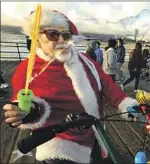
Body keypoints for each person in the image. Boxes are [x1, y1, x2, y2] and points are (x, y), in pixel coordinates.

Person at [3, 10, 140, 164]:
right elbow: (28, 106)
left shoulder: (86, 60)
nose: (62, 39)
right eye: (53, 34)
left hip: (95, 132)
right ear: (37, 37)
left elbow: (107, 85)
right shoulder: (27, 69)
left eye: (66, 35)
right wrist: (24, 113)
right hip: (59, 144)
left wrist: (125, 103)